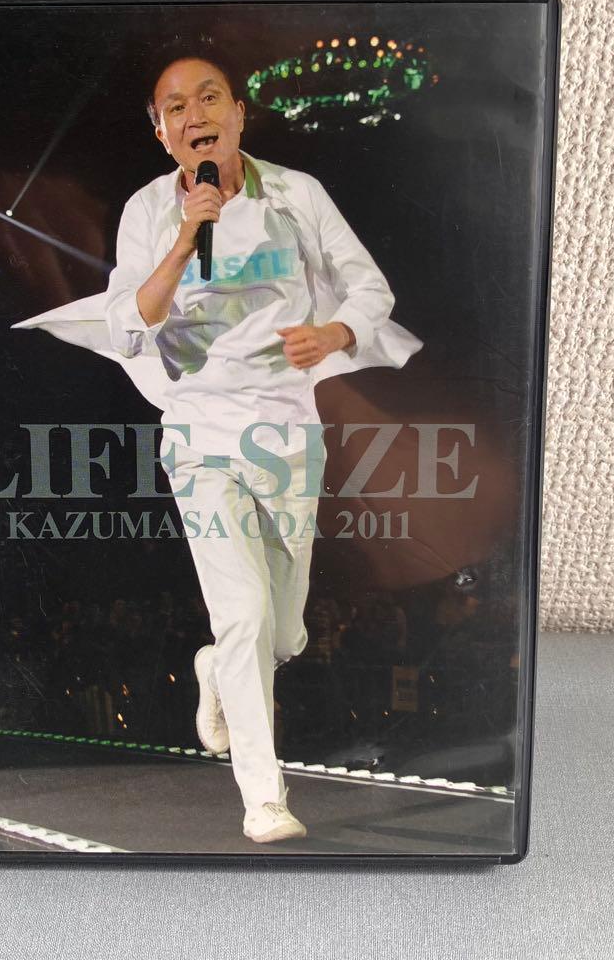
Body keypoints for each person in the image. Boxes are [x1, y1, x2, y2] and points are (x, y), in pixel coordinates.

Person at [97, 46, 421, 842]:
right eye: (176, 108)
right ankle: (263, 798)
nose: (195, 115)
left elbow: (371, 286)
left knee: (282, 635)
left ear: (240, 114)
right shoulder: (148, 210)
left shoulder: (297, 194)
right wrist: (186, 237)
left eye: (209, 98)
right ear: (161, 133)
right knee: (242, 612)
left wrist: (336, 331)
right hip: (197, 435)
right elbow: (128, 323)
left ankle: (215, 669)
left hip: (286, 437)